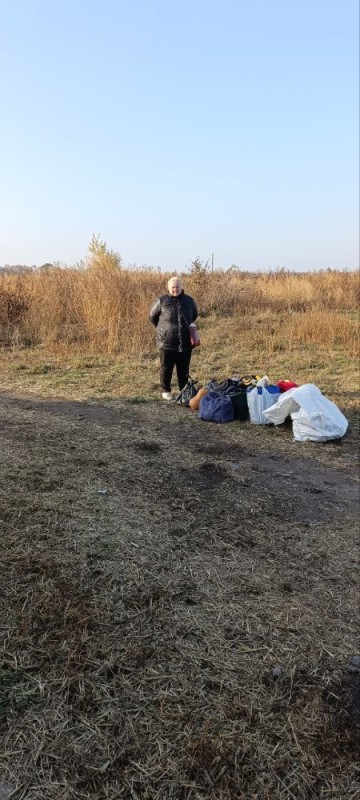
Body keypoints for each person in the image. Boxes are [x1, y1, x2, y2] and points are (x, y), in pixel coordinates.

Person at [149, 277, 198, 400]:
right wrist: (162, 329)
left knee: (183, 367)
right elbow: (152, 316)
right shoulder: (162, 301)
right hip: (166, 341)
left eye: (177, 287)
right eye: (173, 287)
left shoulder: (189, 300)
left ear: (181, 287)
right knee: (166, 367)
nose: (175, 289)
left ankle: (183, 390)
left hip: (186, 341)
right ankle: (166, 390)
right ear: (168, 288)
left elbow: (194, 314)